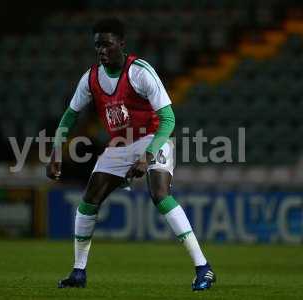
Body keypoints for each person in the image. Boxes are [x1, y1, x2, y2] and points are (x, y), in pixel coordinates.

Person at [46, 17, 216, 291]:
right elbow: (69, 117)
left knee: (159, 194)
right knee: (89, 199)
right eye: (97, 45)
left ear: (121, 44)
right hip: (122, 145)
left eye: (107, 45)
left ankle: (203, 268)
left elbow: (169, 119)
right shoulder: (91, 77)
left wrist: (147, 156)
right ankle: (78, 272)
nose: (101, 51)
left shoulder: (139, 71)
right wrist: (55, 152)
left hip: (154, 137)